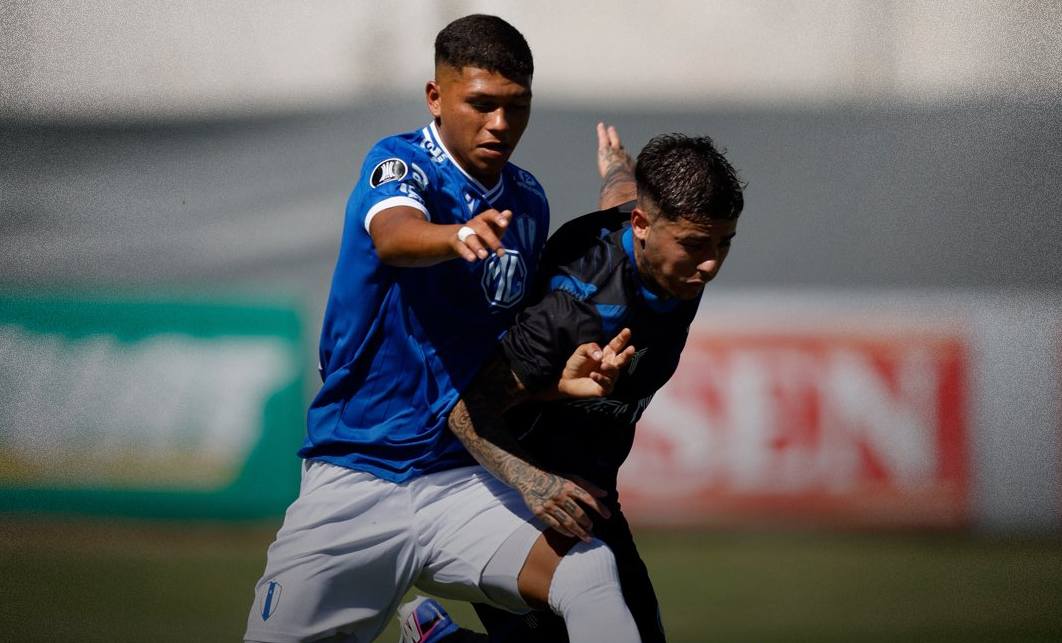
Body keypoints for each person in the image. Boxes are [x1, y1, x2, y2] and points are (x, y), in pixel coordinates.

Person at [244, 15, 643, 643]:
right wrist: (454, 235)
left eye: (517, 107)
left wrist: (555, 385)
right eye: (481, 104)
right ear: (436, 96)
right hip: (356, 475)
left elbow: (497, 352)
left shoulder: (527, 202)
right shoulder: (401, 164)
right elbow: (395, 236)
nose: (501, 125)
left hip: (460, 479)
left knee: (589, 570)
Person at [398, 124, 746, 643]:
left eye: (724, 242)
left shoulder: (668, 250)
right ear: (643, 226)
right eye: (697, 245)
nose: (712, 263)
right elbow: (465, 409)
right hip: (511, 490)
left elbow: (624, 196)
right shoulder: (575, 308)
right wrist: (537, 485)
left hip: (590, 490)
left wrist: (616, 168)